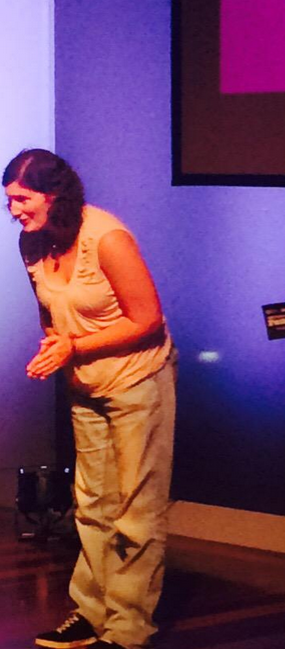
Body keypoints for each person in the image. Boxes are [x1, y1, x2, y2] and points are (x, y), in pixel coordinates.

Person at [3, 149, 177, 649]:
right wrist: (56, 348)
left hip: (137, 382)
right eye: (8, 200)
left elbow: (147, 318)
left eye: (22, 199)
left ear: (53, 194)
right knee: (92, 506)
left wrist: (75, 347)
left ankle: (128, 629)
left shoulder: (106, 238)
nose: (13, 210)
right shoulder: (31, 243)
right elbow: (50, 313)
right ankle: (92, 613)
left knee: (136, 510)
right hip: (86, 386)